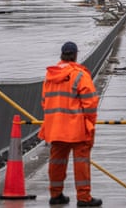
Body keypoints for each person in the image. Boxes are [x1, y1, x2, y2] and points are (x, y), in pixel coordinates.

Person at [39, 41, 102, 207]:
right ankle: (83, 198)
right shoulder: (80, 75)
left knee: (57, 162)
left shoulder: (50, 76)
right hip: (76, 128)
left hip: (55, 128)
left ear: (62, 55)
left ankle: (56, 194)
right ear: (75, 55)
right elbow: (90, 104)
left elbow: (45, 102)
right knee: (81, 163)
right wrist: (90, 124)